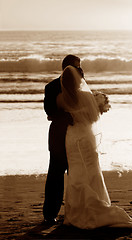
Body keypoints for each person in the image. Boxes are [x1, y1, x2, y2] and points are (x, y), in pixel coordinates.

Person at [56, 63, 132, 229]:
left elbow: (58, 117)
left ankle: (75, 213)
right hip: (85, 137)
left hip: (71, 138)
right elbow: (94, 118)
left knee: (76, 172)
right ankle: (97, 206)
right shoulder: (85, 96)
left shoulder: (60, 99)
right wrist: (98, 107)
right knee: (91, 170)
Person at [43, 55, 82, 224]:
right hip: (59, 134)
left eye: (80, 67)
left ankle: (75, 212)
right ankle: (50, 214)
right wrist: (66, 116)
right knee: (55, 175)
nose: (79, 71)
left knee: (77, 174)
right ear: (66, 68)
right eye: (76, 67)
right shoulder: (51, 87)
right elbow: (50, 112)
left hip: (79, 135)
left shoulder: (81, 87)